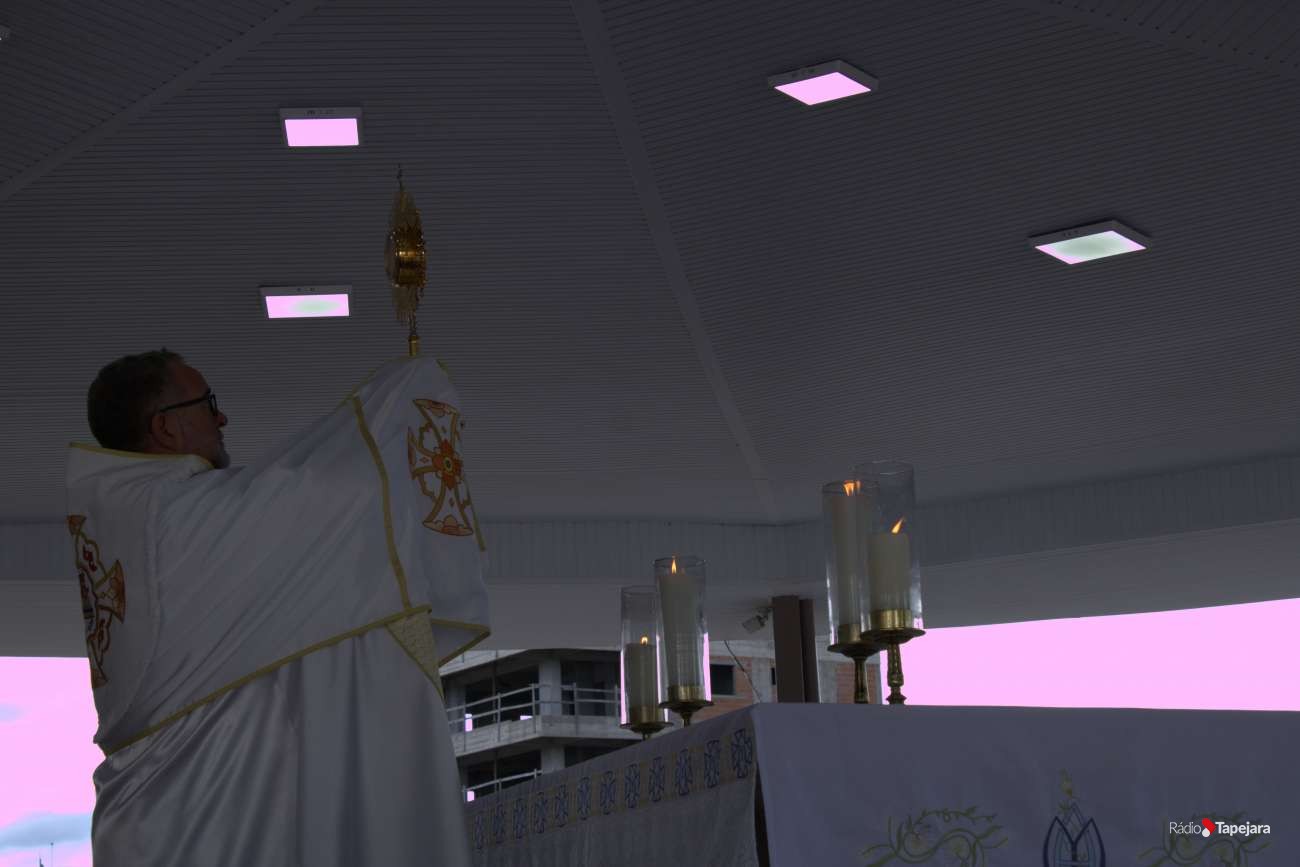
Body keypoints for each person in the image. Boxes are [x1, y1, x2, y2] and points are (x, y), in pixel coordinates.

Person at [67, 348, 490, 865]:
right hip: (193, 821)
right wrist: (405, 394)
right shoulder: (173, 517)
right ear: (166, 427)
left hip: (159, 823)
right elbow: (342, 490)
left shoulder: (123, 520)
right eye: (207, 403)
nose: (222, 418)